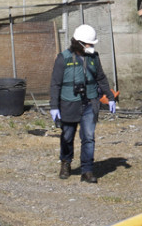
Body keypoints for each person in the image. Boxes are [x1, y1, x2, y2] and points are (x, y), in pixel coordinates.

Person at [50, 24, 117, 183]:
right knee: (67, 136)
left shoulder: (94, 57)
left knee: (88, 137)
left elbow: (101, 78)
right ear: (78, 43)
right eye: (89, 44)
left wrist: (110, 97)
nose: (91, 46)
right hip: (69, 103)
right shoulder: (63, 58)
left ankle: (87, 170)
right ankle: (66, 162)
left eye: (92, 43)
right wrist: (54, 106)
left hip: (90, 103)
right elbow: (55, 84)